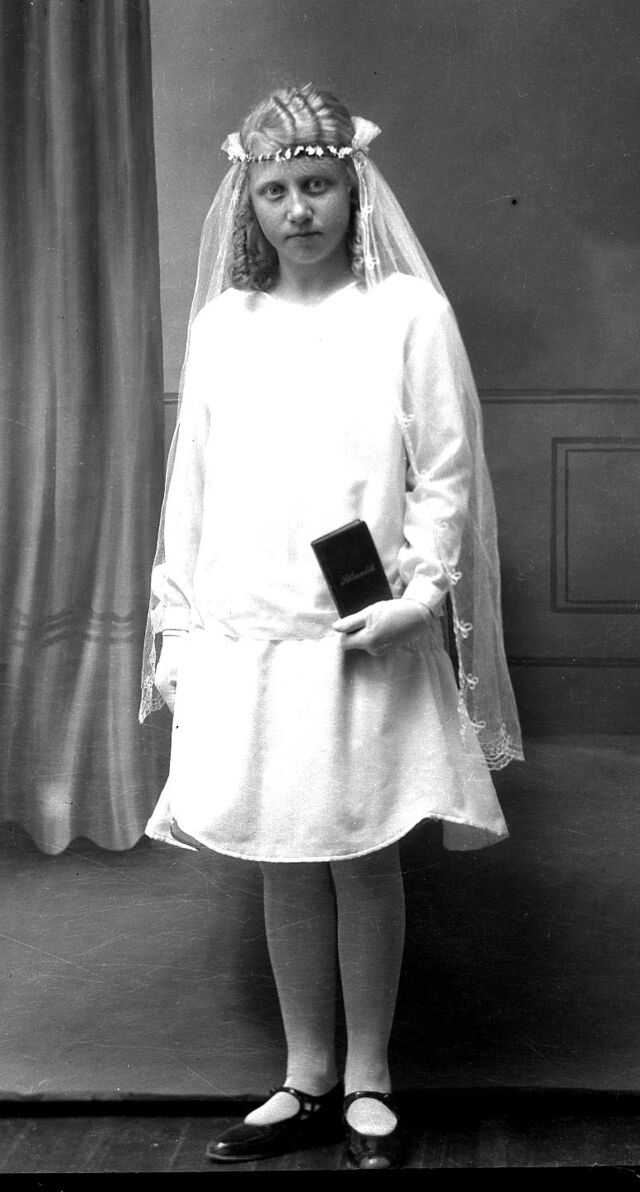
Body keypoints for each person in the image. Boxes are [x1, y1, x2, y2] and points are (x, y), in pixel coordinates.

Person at [139, 82, 523, 1171]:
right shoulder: (225, 325)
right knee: (283, 855)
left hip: (361, 627)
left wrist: (419, 596)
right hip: (247, 623)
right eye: (275, 191)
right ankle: (304, 1076)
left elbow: (442, 473)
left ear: (353, 191)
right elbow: (193, 483)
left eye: (316, 186)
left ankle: (367, 1079)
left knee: (360, 849)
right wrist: (178, 622)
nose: (297, 209)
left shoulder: (404, 313)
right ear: (248, 203)